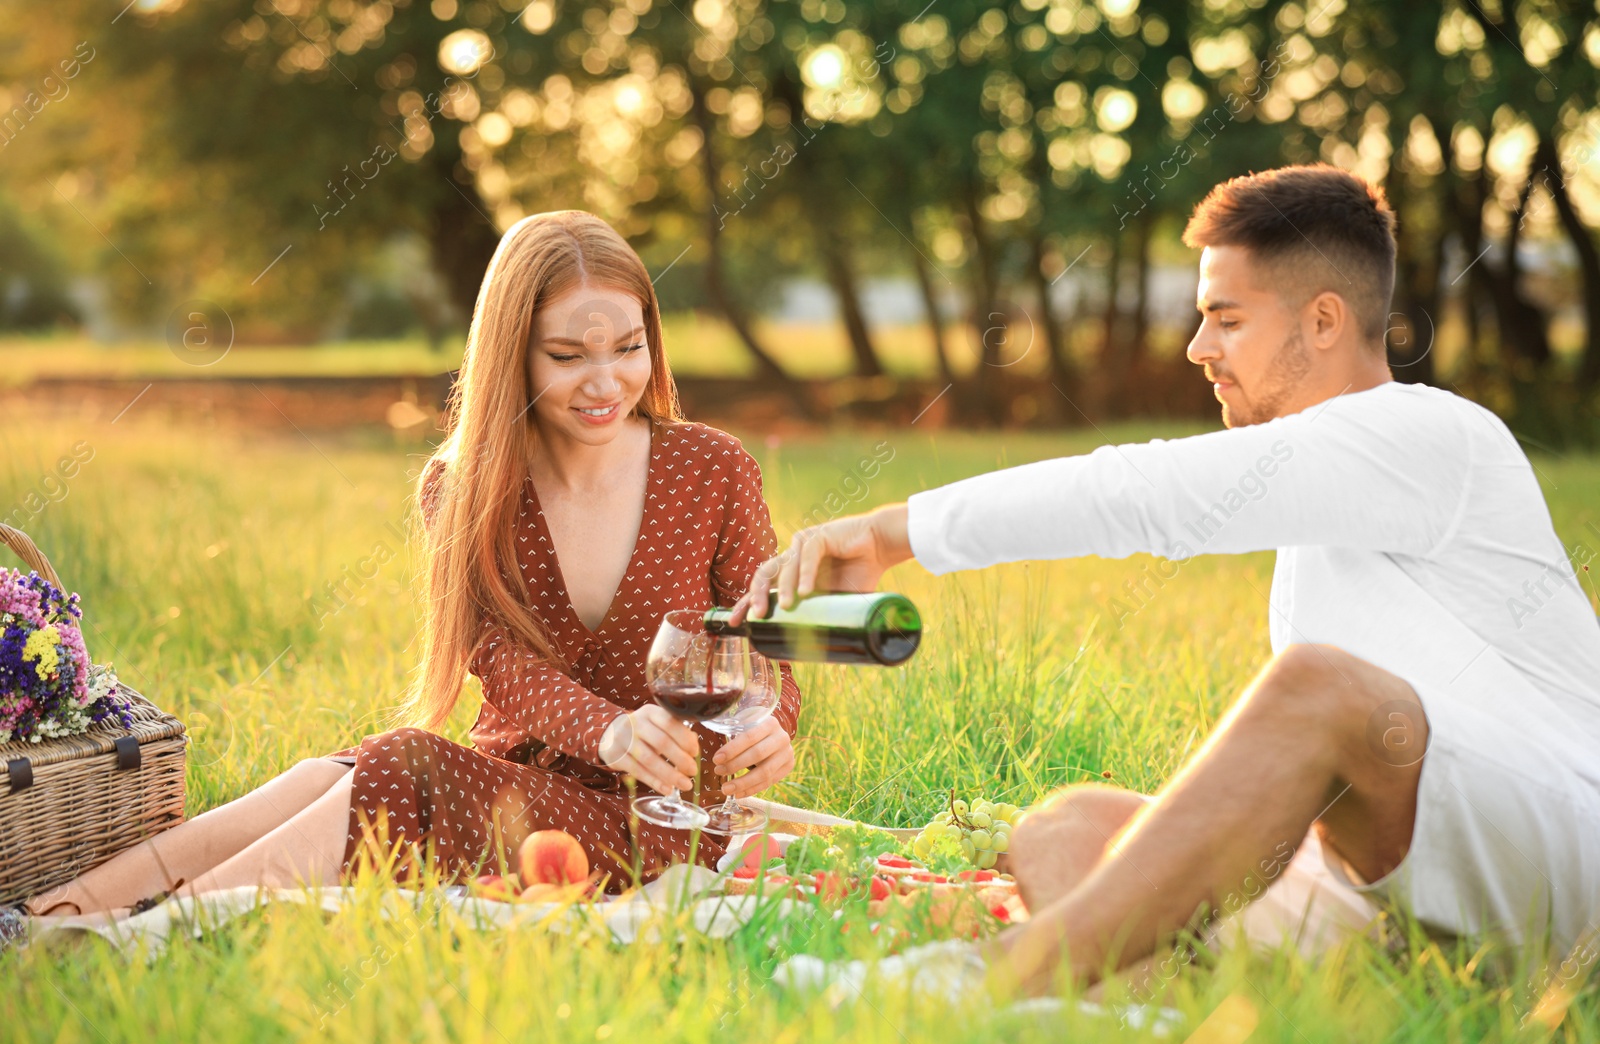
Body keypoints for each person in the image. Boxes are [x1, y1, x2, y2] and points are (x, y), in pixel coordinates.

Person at [733, 164, 1600, 991]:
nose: (1197, 347)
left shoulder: (1432, 438)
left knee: (1317, 686)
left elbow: (1143, 493)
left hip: (1564, 854)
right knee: (1067, 830)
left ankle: (994, 979)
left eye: (1227, 318)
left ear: (1324, 321)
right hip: (1395, 882)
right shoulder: (1319, 507)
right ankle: (1135, 1007)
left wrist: (895, 531)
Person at [19, 211, 801, 926]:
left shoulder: (712, 467)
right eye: (568, 355)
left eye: (628, 348)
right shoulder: (463, 484)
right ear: (513, 354)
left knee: (404, 762)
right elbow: (493, 655)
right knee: (329, 774)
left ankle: (155, 934)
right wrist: (610, 728)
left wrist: (773, 724)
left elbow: (768, 637)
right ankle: (63, 908)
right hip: (517, 784)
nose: (607, 383)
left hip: (659, 817)